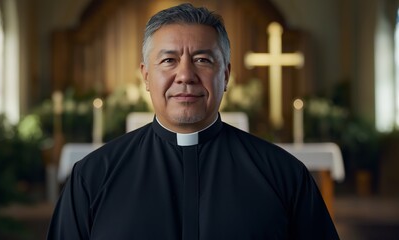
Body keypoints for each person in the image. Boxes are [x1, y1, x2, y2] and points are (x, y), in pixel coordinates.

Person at [47, 3, 339, 240]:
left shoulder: (284, 175)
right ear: (146, 76)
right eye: (169, 60)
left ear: (225, 75)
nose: (185, 75)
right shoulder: (92, 177)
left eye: (202, 60)